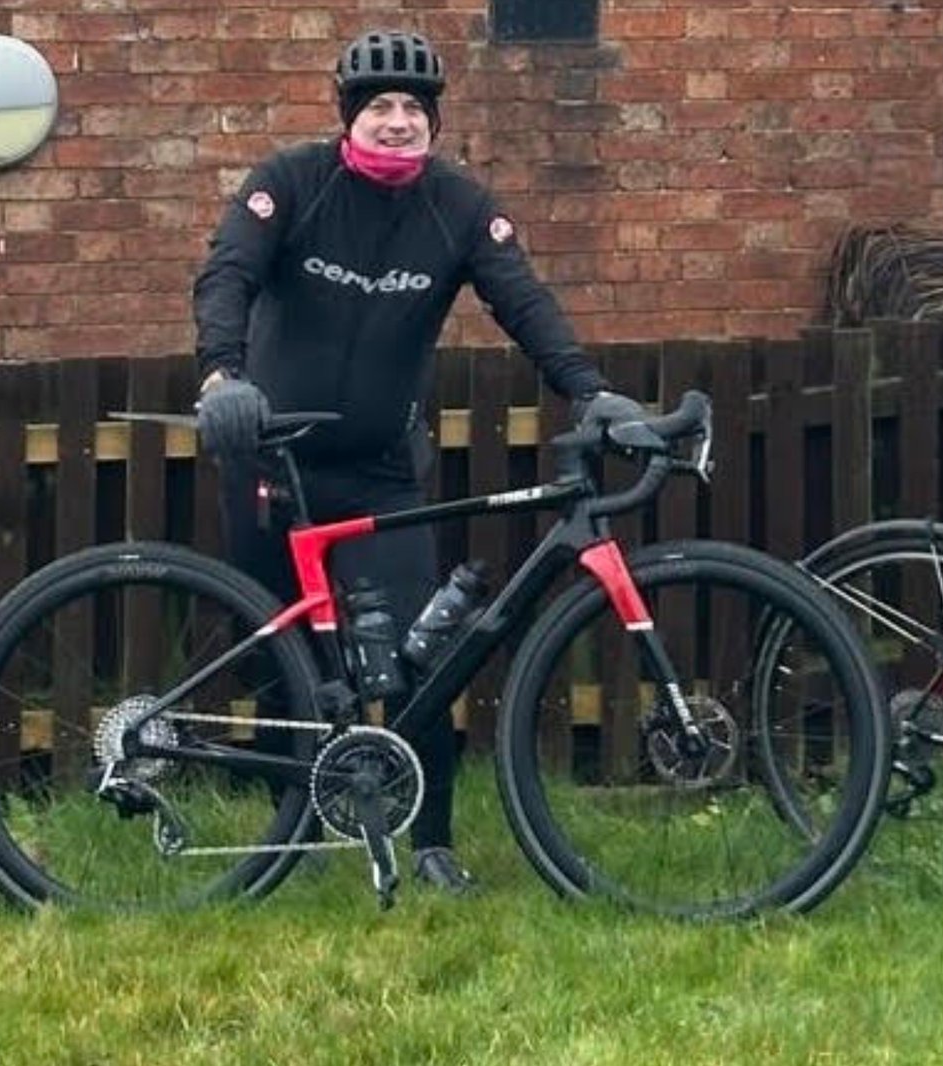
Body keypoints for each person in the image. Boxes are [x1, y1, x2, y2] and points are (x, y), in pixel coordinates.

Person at [190, 28, 646, 894]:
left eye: (413, 108)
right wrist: (223, 375)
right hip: (275, 463)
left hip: (381, 470)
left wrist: (589, 391)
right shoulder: (290, 183)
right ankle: (293, 833)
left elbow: (524, 301)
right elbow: (228, 276)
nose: (397, 121)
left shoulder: (458, 208)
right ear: (349, 118)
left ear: (434, 121)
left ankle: (431, 838)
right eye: (379, 108)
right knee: (283, 659)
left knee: (418, 657)